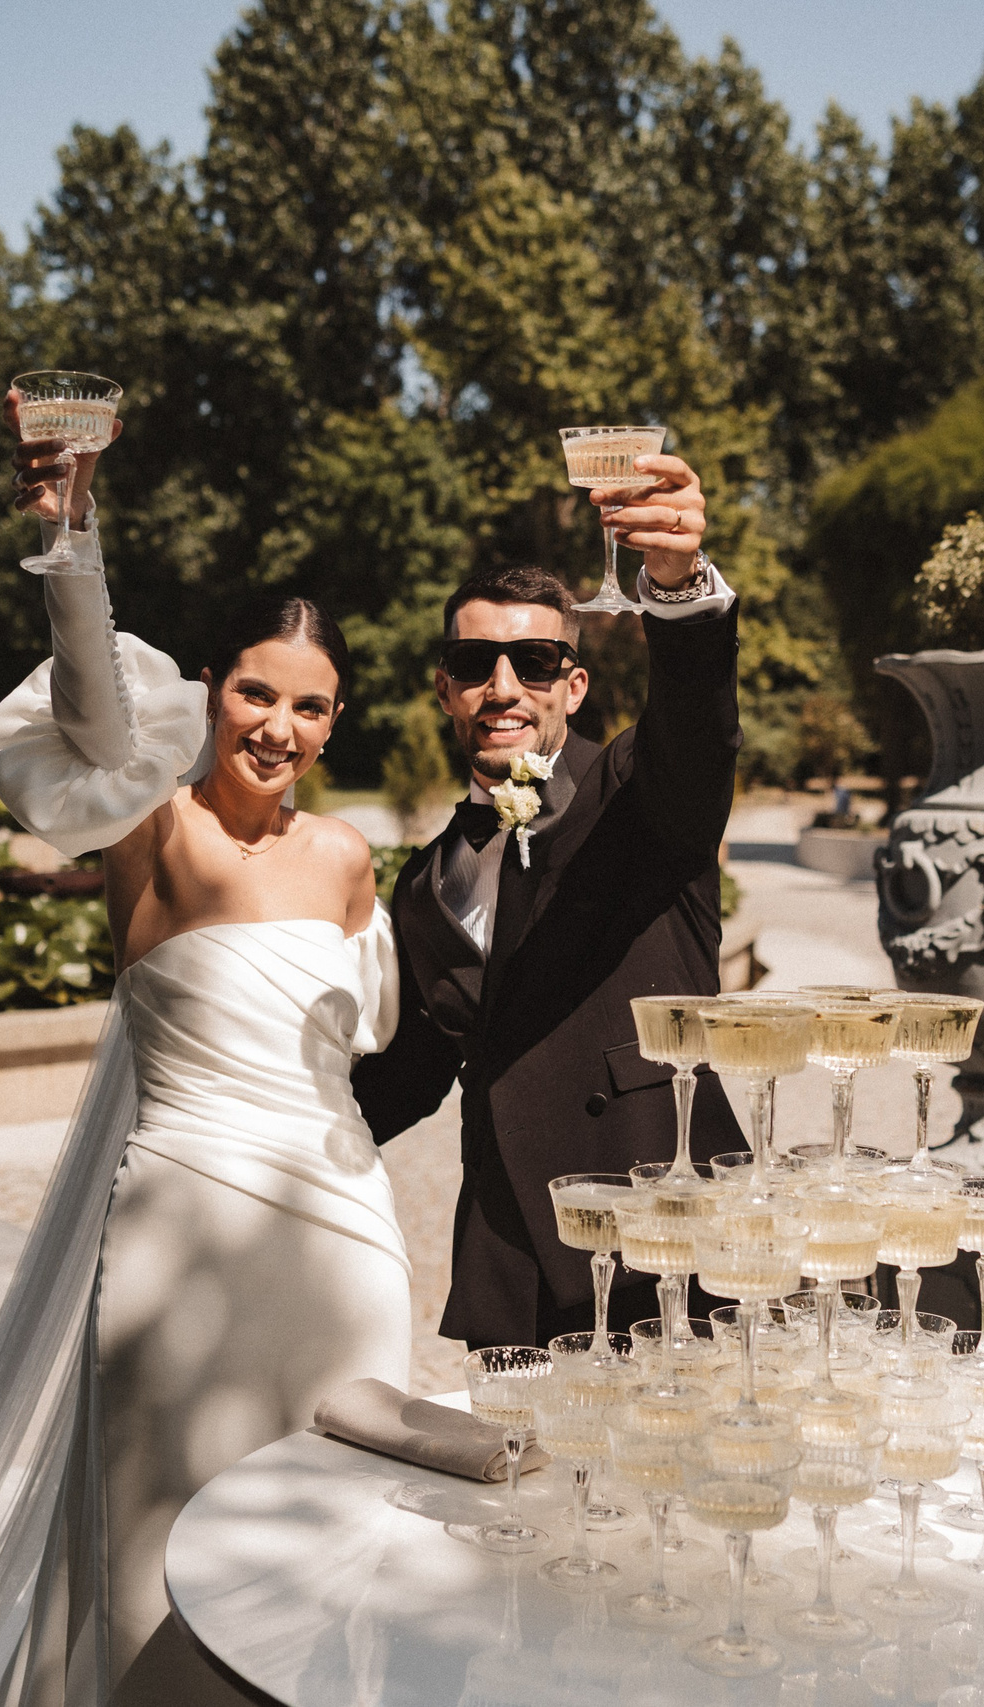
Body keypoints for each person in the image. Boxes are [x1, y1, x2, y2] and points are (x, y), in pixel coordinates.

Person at [0, 398, 404, 1707]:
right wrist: (72, 535)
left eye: (310, 706)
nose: (276, 724)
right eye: (255, 690)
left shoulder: (347, 859)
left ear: (338, 723)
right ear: (212, 691)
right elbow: (94, 696)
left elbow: (368, 1039)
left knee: (346, 1531)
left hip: (347, 1240)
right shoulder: (149, 822)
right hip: (183, 1223)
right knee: (156, 1538)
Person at [349, 460, 747, 1351]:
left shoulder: (641, 803)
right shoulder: (425, 881)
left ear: (574, 685)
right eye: (472, 662)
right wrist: (264, 1135)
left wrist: (678, 592)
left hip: (667, 1250)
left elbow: (698, 724)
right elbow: (412, 1071)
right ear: (445, 688)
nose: (502, 686)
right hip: (511, 1272)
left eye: (533, 661)